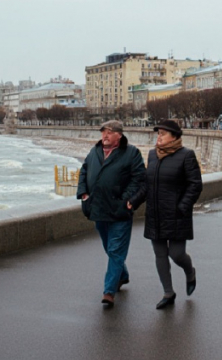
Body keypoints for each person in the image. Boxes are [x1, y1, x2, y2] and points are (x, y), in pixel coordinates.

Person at [131, 120, 203, 309]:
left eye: (163, 134)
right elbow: (147, 184)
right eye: (158, 134)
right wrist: (134, 201)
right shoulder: (153, 155)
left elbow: (195, 185)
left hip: (177, 214)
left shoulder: (186, 155)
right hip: (155, 213)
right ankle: (168, 293)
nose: (159, 137)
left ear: (175, 137)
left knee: (177, 254)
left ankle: (190, 272)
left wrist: (183, 206)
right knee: (160, 254)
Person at [77, 120, 146, 309]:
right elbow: (84, 171)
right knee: (110, 248)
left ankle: (109, 291)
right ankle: (122, 275)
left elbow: (139, 180)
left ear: (119, 135)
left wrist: (126, 200)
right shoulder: (95, 151)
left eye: (109, 132)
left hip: (120, 210)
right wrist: (83, 193)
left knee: (116, 250)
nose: (105, 136)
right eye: (103, 132)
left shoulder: (131, 153)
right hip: (98, 209)